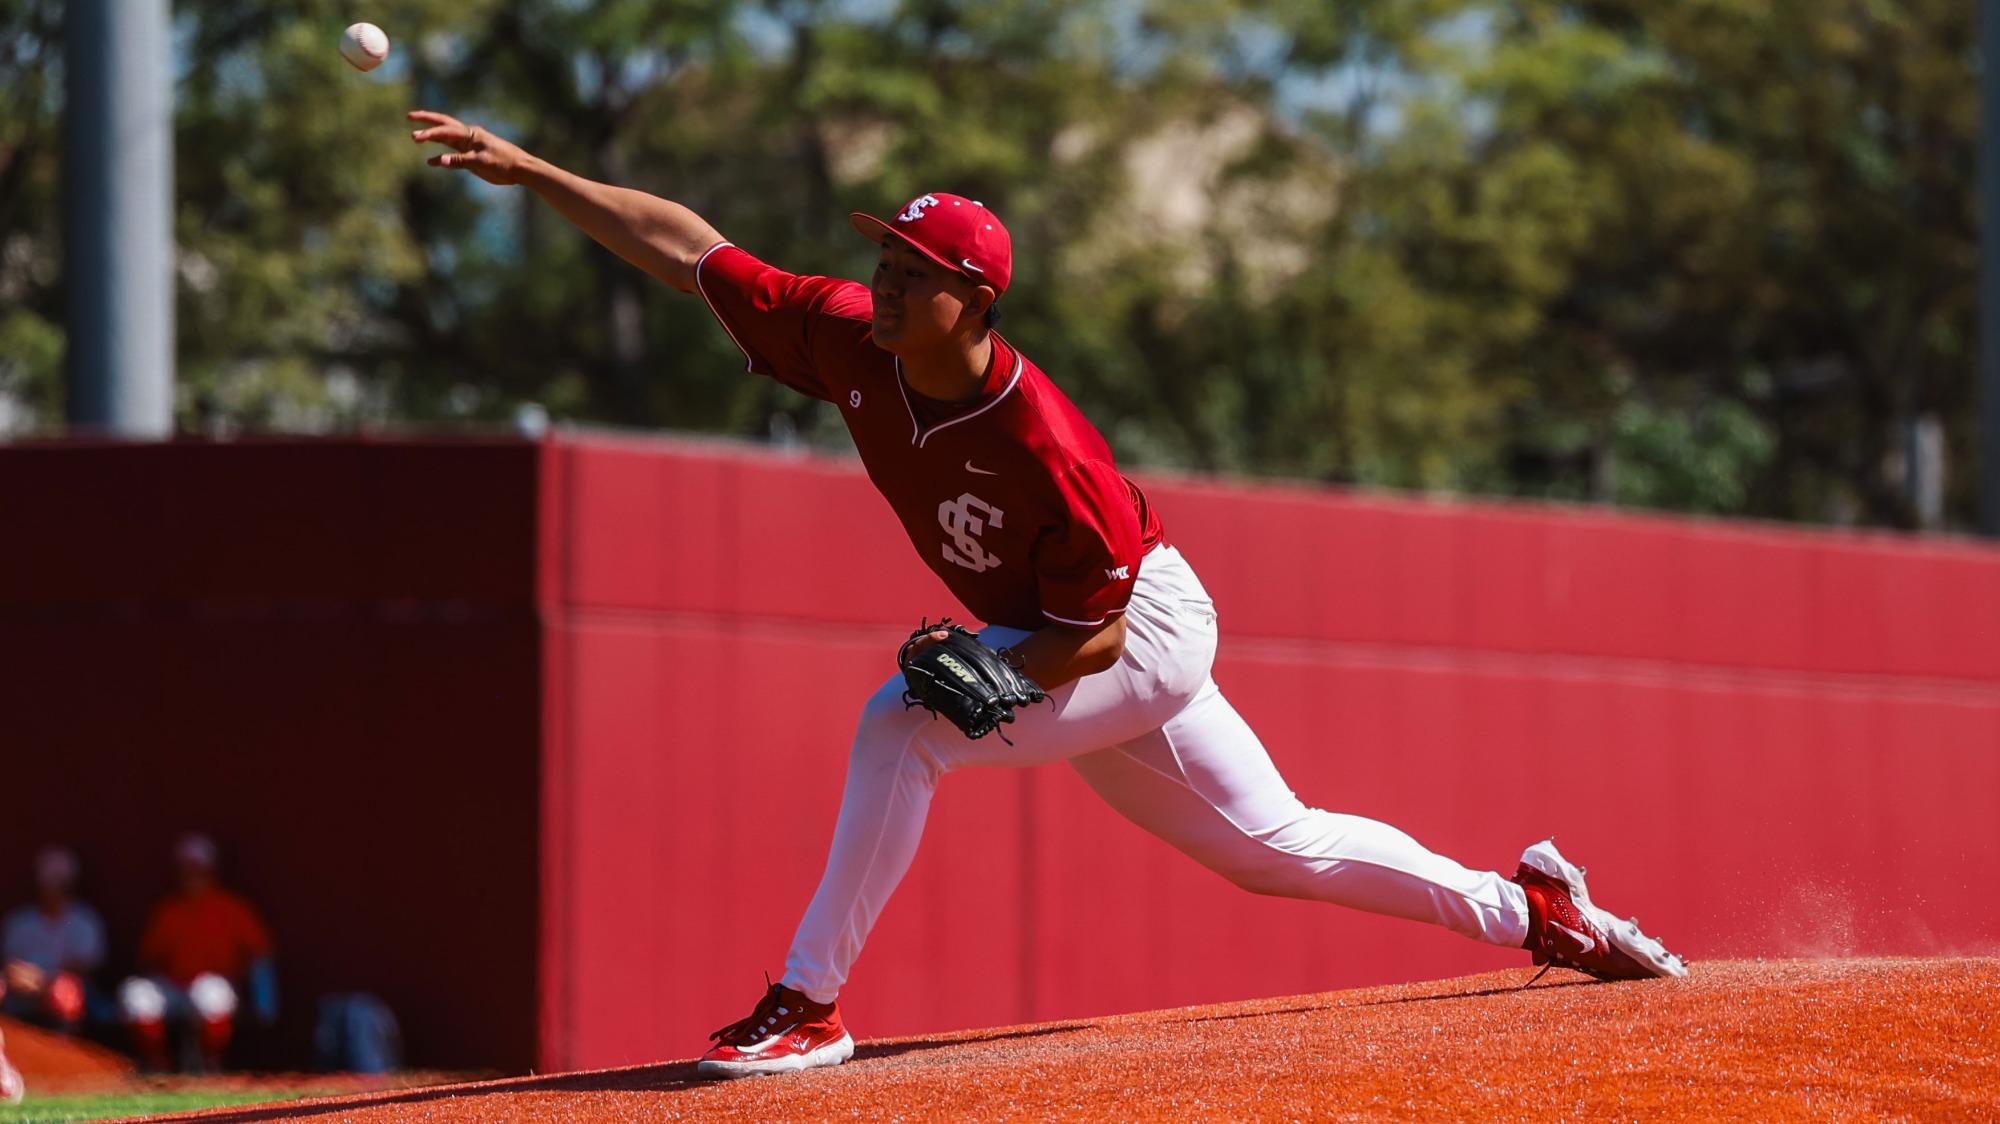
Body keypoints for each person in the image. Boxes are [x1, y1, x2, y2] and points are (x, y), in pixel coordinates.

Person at [409, 108, 1689, 1080]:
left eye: (913, 270)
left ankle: (805, 1008)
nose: (887, 282)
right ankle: (1535, 907)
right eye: (888, 262)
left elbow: (1099, 630)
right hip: (1067, 625)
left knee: (897, 726)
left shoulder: (1041, 443)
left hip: (1130, 622)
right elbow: (692, 252)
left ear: (973, 299)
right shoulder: (851, 337)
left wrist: (996, 678)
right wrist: (536, 175)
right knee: (1274, 849)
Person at [119, 835, 278, 1072]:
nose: (193, 877)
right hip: (174, 987)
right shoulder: (169, 910)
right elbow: (148, 959)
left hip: (216, 983)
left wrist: (253, 989)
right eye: (187, 870)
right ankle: (158, 1067)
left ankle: (210, 1065)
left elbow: (262, 952)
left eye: (198, 870)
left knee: (210, 994)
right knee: (137, 995)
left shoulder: (231, 907)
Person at [1, 846, 106, 1035]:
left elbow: (85, 968)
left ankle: (64, 1057)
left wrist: (44, 980)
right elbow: (9, 965)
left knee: (64, 991)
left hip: (64, 994)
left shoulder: (84, 921)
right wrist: (18, 977)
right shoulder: (20, 922)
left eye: (59, 883)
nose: (53, 890)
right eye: (49, 883)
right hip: (21, 991)